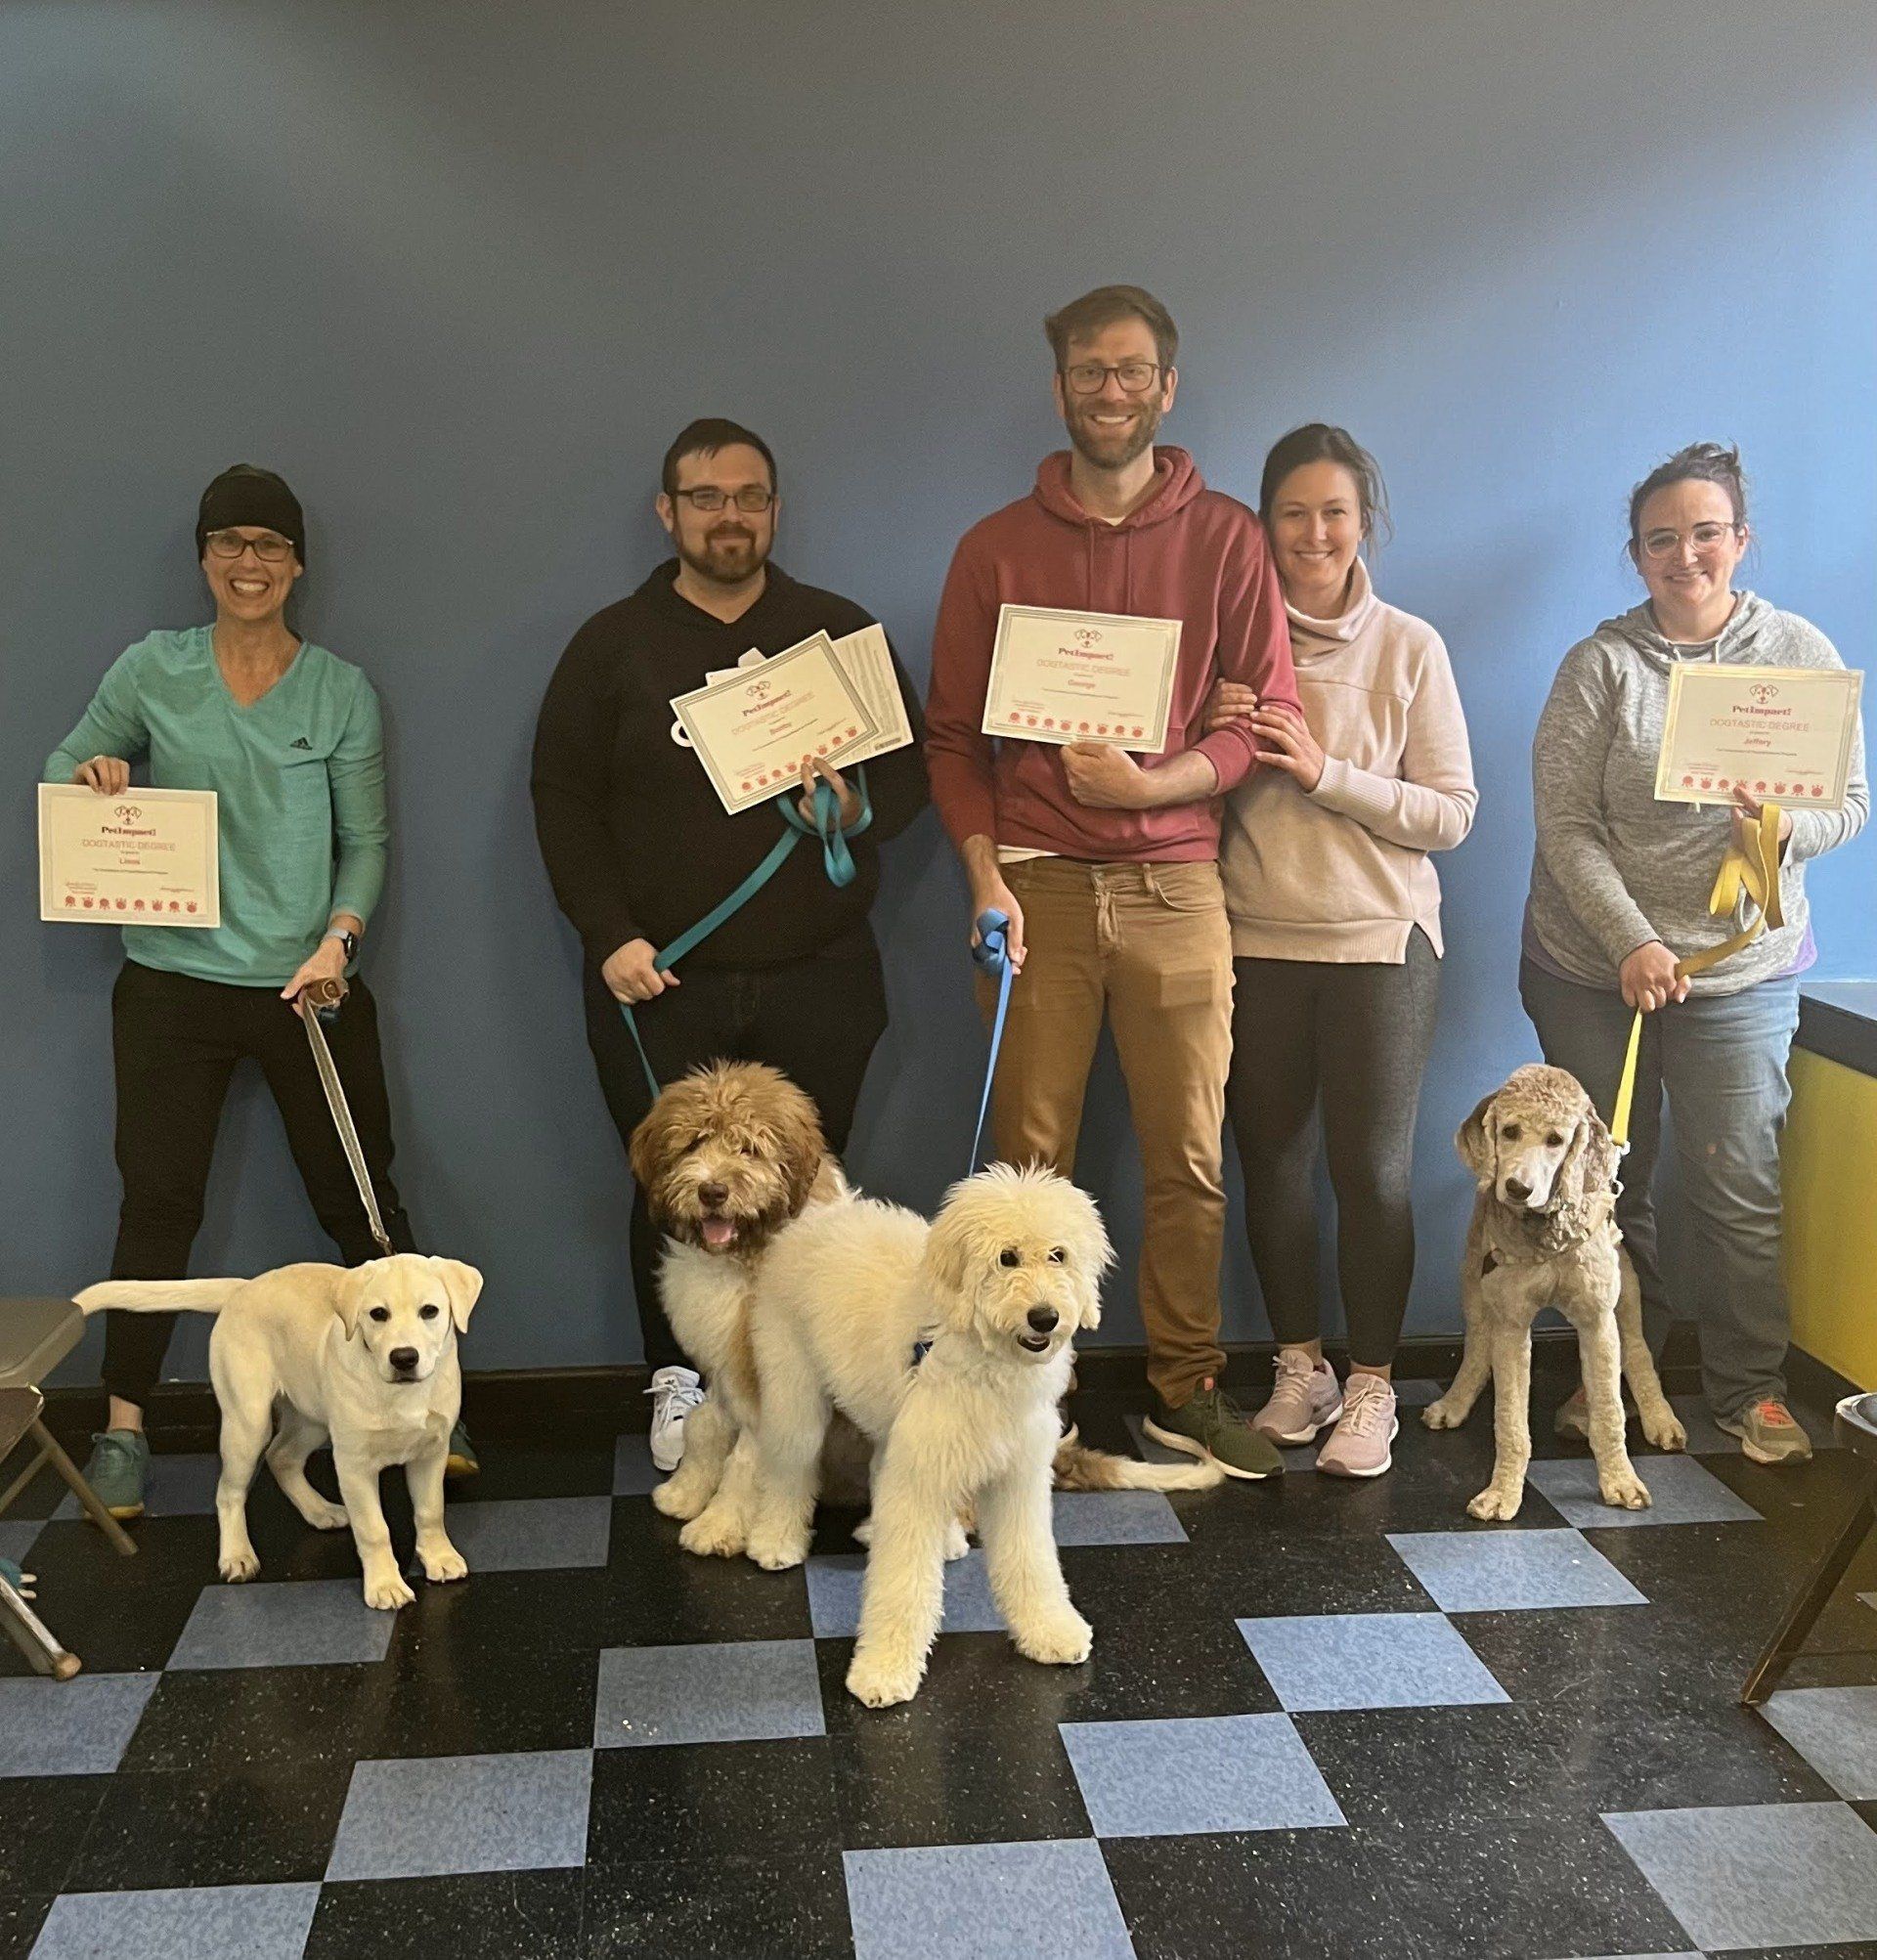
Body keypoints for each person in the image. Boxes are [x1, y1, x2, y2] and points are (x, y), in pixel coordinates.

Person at [924, 285, 1299, 1479]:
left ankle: (1185, 1388)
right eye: (1091, 371)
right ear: (1062, 387)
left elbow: (1270, 712)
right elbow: (950, 741)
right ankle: (1032, 1400)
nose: (1112, 391)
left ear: (1168, 387)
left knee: (1187, 1151)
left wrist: (1158, 786)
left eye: (1134, 371)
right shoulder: (994, 547)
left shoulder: (1229, 538)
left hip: (1179, 885)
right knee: (1031, 1163)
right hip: (1031, 884)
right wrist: (984, 876)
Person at [43, 463, 458, 1517]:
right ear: (203, 558)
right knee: (158, 1206)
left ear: (297, 563)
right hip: (170, 984)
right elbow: (67, 769)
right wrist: (97, 780)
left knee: (364, 1208)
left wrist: (339, 941)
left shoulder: (340, 689)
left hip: (304, 987)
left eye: (268, 545)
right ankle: (124, 1428)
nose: (248, 564)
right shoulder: (153, 669)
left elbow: (365, 843)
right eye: (229, 543)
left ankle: (426, 1410)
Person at [531, 418, 927, 1469]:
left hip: (823, 978)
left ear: (775, 509)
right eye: (705, 497)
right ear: (668, 513)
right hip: (660, 982)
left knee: (802, 1192)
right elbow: (561, 798)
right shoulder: (610, 644)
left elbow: (911, 780)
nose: (729, 516)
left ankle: (801, 1385)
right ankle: (678, 1378)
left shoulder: (839, 635)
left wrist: (850, 808)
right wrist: (607, 933)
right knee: (673, 1185)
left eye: (749, 496)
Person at [1523, 442, 1867, 1462]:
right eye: (1662, 538)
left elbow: (1850, 803)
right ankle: (1611, 1378)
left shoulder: (1800, 652)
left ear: (1741, 540)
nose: (1686, 555)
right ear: (1636, 555)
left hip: (1741, 973)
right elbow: (1566, 825)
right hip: (1589, 964)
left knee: (1737, 1183)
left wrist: (1780, 828)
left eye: (1705, 532)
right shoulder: (1601, 666)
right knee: (1601, 1187)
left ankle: (1749, 1388)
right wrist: (1631, 940)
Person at [1203, 426, 1476, 1475]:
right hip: (1255, 938)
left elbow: (1452, 813)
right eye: (1292, 513)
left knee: (1373, 1171)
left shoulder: (1411, 645)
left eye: (1335, 512)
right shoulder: (1225, 642)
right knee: (1269, 1164)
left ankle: (1370, 1388)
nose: (1314, 534)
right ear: (1262, 525)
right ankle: (1300, 1367)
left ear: (1366, 521)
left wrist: (1323, 770)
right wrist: (1208, 731)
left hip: (1381, 943)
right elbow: (1174, 783)